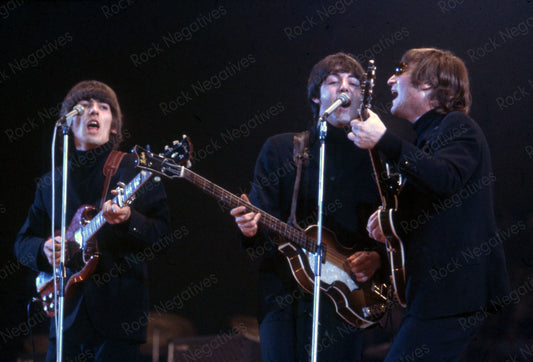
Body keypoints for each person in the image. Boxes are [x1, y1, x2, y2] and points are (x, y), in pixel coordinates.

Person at [349, 48, 510, 360]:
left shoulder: (458, 126)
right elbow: (437, 204)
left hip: (452, 295)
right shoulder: (426, 139)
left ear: (426, 84)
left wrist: (384, 140)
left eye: (400, 71)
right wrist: (389, 221)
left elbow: (445, 177)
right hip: (432, 296)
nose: (390, 78)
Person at [230, 53, 385, 361]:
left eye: (354, 83)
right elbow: (261, 221)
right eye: (333, 81)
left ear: (362, 99)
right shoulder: (282, 148)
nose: (345, 88)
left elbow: (393, 224)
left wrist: (377, 257)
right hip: (282, 293)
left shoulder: (374, 158)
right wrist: (249, 229)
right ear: (316, 97)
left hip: (347, 293)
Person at [14, 80, 171, 361]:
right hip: (65, 322)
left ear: (114, 126)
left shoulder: (133, 168)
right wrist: (43, 249)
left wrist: (128, 219)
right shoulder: (52, 182)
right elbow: (22, 243)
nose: (93, 111)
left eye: (103, 107)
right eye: (83, 106)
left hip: (118, 321)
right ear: (70, 123)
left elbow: (163, 234)